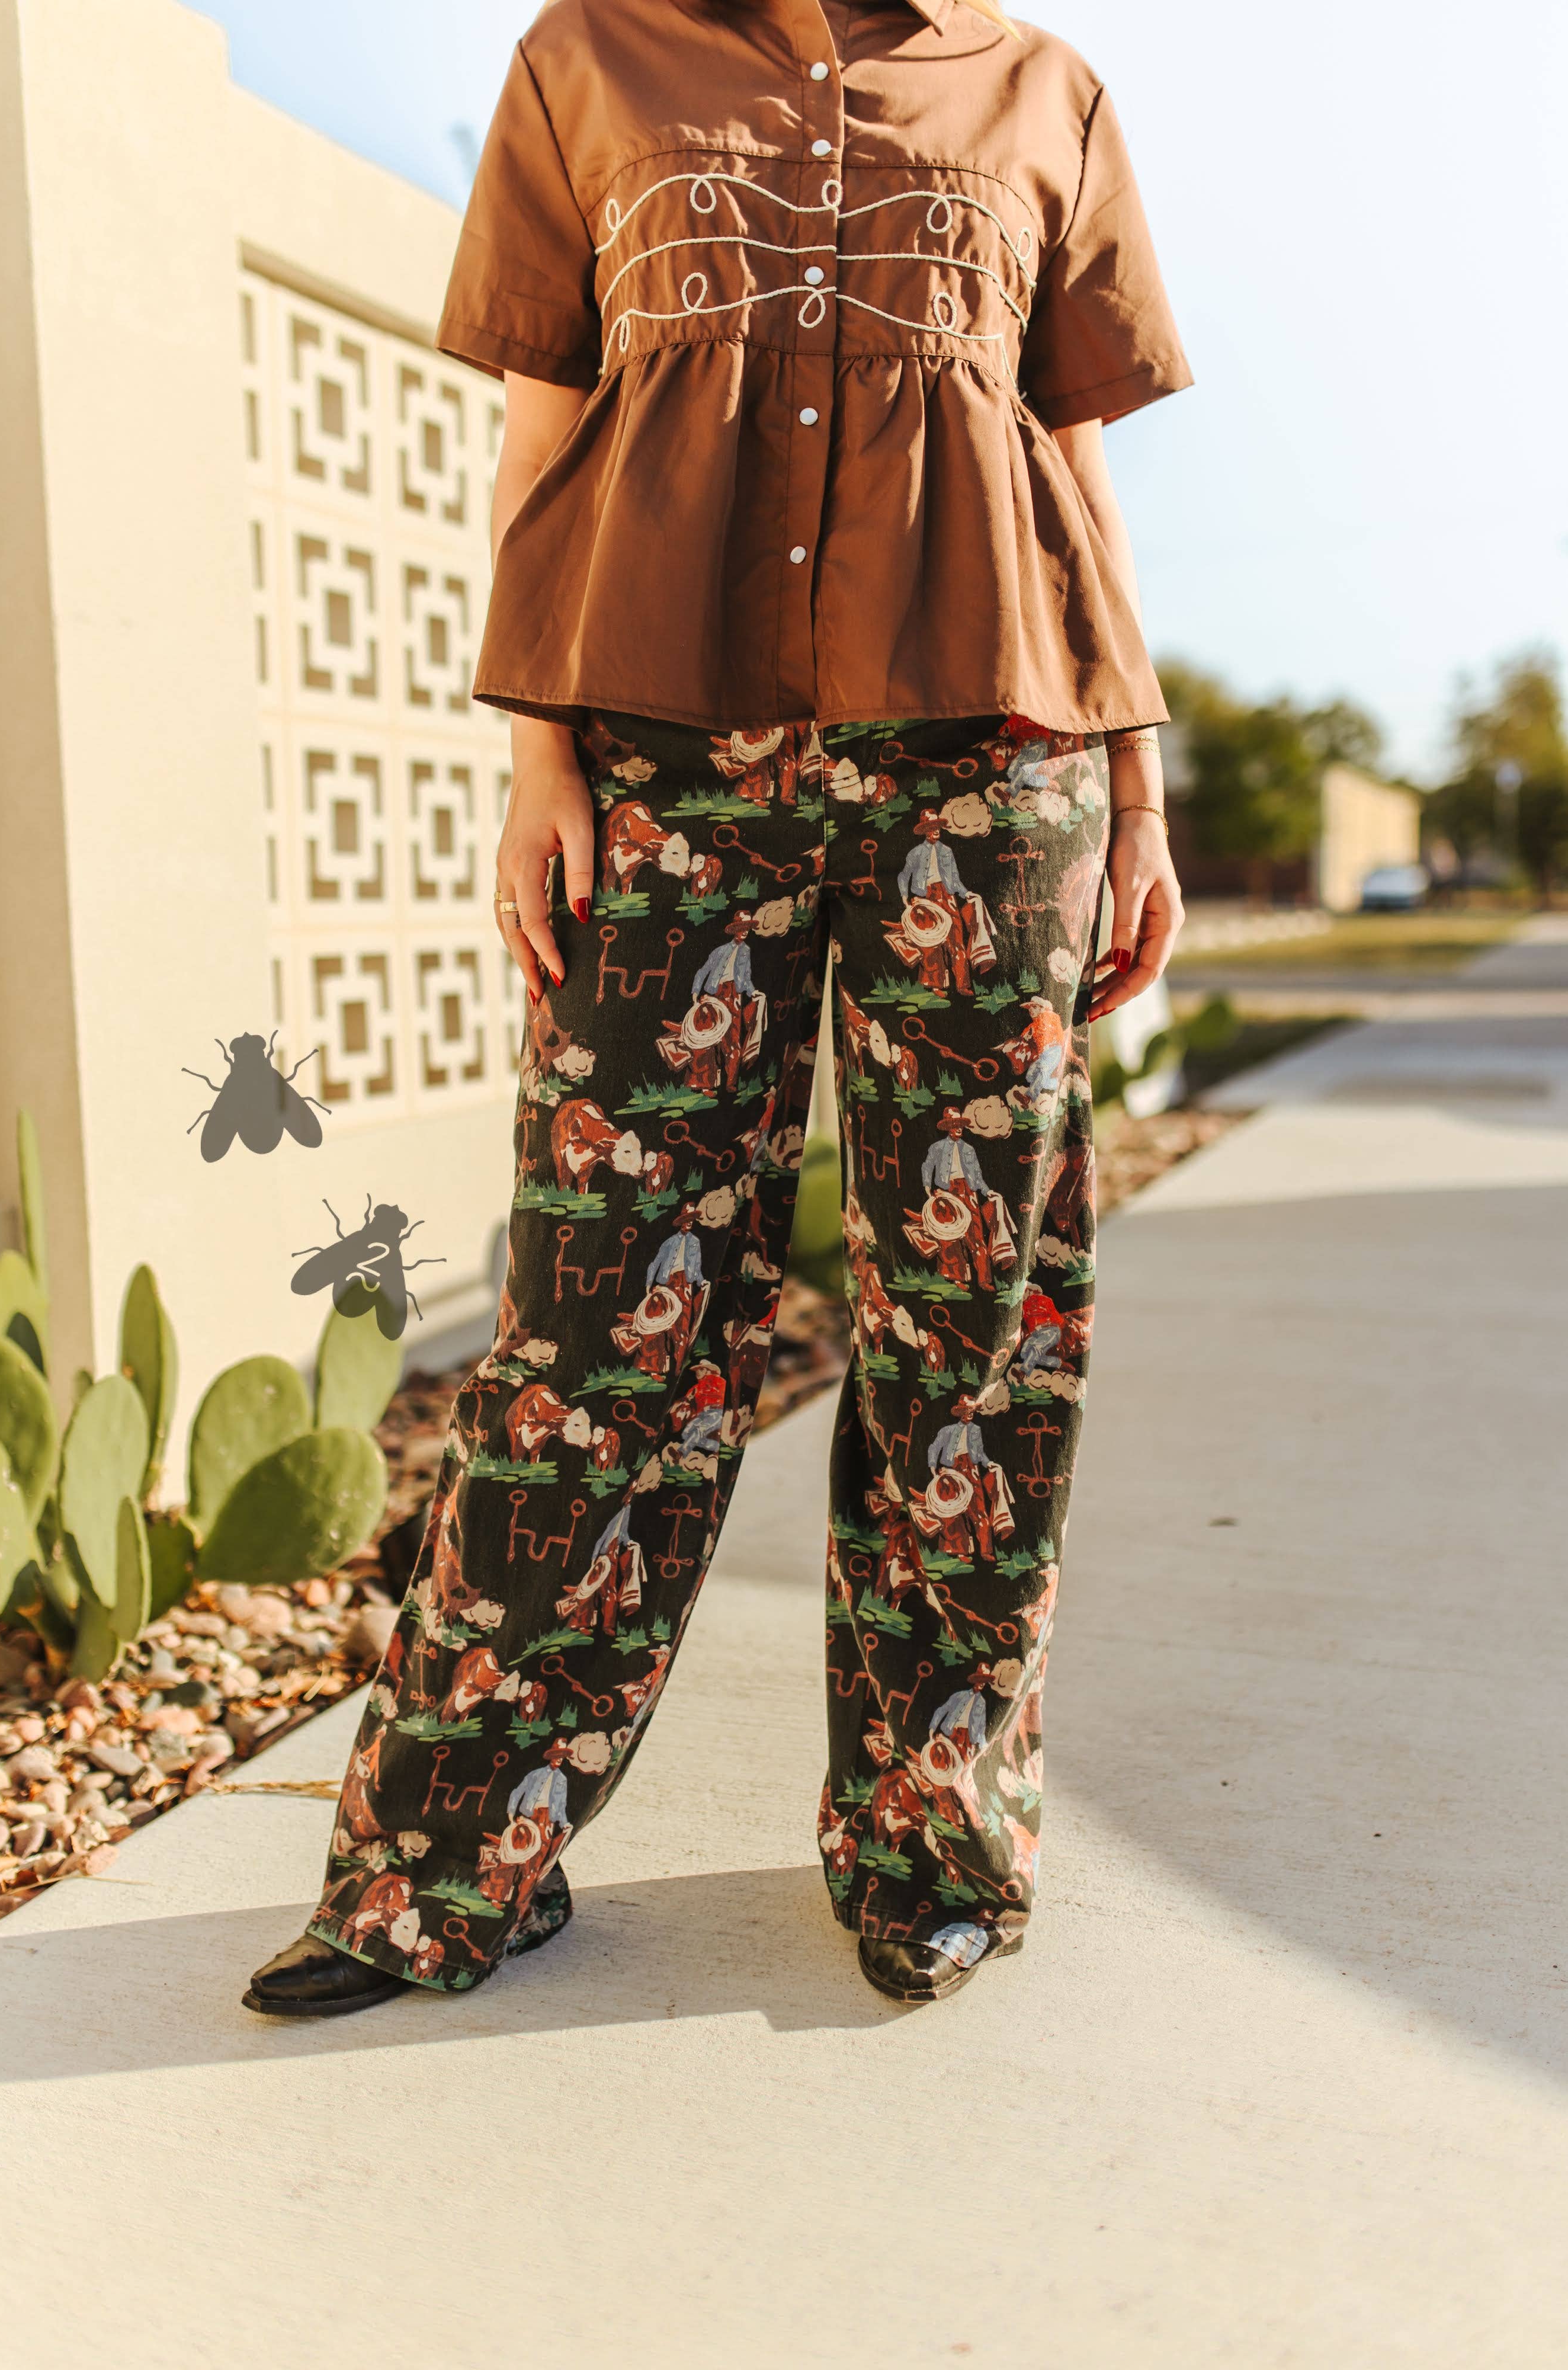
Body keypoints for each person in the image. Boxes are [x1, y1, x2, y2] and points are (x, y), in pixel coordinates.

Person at [245, 0, 1189, 2020]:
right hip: (667, 751)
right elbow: (543, 427)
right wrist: (534, 761)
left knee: (977, 1320)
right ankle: (445, 1869)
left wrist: (1132, 786)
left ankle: (932, 1837)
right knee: (598, 1322)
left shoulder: (1043, 92)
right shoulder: (589, 59)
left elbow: (1073, 466)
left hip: (990, 754)